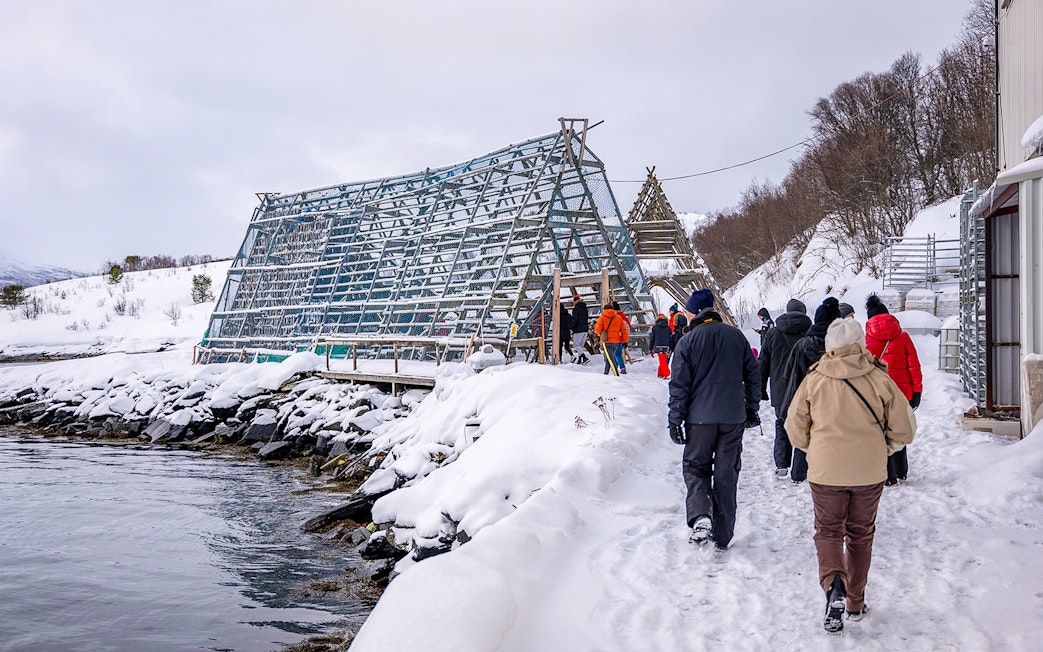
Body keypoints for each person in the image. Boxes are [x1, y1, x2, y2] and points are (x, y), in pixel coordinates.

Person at [785, 318, 915, 633]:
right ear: (860, 344)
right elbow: (905, 428)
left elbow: (794, 427)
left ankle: (834, 587)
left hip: (825, 472)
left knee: (828, 531)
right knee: (860, 535)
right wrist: (886, 448)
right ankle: (855, 601)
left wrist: (813, 449)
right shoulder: (879, 378)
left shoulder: (814, 379)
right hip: (868, 472)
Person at [668, 288, 760, 550]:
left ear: (695, 312)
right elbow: (753, 374)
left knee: (695, 467)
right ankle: (723, 535)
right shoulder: (736, 336)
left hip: (699, 420)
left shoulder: (687, 342)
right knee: (726, 473)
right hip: (732, 418)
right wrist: (751, 409)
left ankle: (701, 516)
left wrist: (675, 419)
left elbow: (679, 385)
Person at [779, 297, 842, 483]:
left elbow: (788, 374)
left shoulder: (802, 345)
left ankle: (798, 474)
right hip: (835, 400)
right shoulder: (842, 347)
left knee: (805, 433)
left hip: (806, 398)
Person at [864, 294, 923, 485]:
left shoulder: (864, 340)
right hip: (901, 394)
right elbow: (914, 365)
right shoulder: (903, 337)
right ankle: (901, 471)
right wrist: (917, 392)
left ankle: (887, 476)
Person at [758, 299, 812, 477]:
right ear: (803, 312)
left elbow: (763, 362)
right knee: (805, 426)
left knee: (782, 424)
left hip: (780, 388)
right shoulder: (809, 332)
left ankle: (781, 464)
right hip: (805, 387)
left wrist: (761, 388)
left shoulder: (773, 333)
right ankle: (799, 470)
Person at [594, 303, 628, 375]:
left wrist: (603, 330)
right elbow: (623, 331)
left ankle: (616, 374)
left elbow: (597, 330)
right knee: (608, 358)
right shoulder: (618, 318)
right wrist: (625, 341)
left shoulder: (602, 318)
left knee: (610, 359)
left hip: (606, 341)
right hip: (616, 341)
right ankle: (605, 374)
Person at [648, 313, 673, 379]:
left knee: (662, 360)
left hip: (658, 346)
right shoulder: (668, 328)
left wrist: (650, 348)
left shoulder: (655, 327)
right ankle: (660, 374)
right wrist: (671, 347)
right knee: (663, 360)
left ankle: (666, 374)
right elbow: (670, 338)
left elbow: (652, 338)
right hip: (666, 346)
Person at [571, 295, 590, 365]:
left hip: (578, 329)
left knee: (576, 345)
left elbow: (575, 320)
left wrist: (572, 327)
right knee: (580, 346)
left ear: (575, 301)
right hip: (585, 329)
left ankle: (584, 358)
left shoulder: (576, 309)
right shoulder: (584, 308)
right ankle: (580, 360)